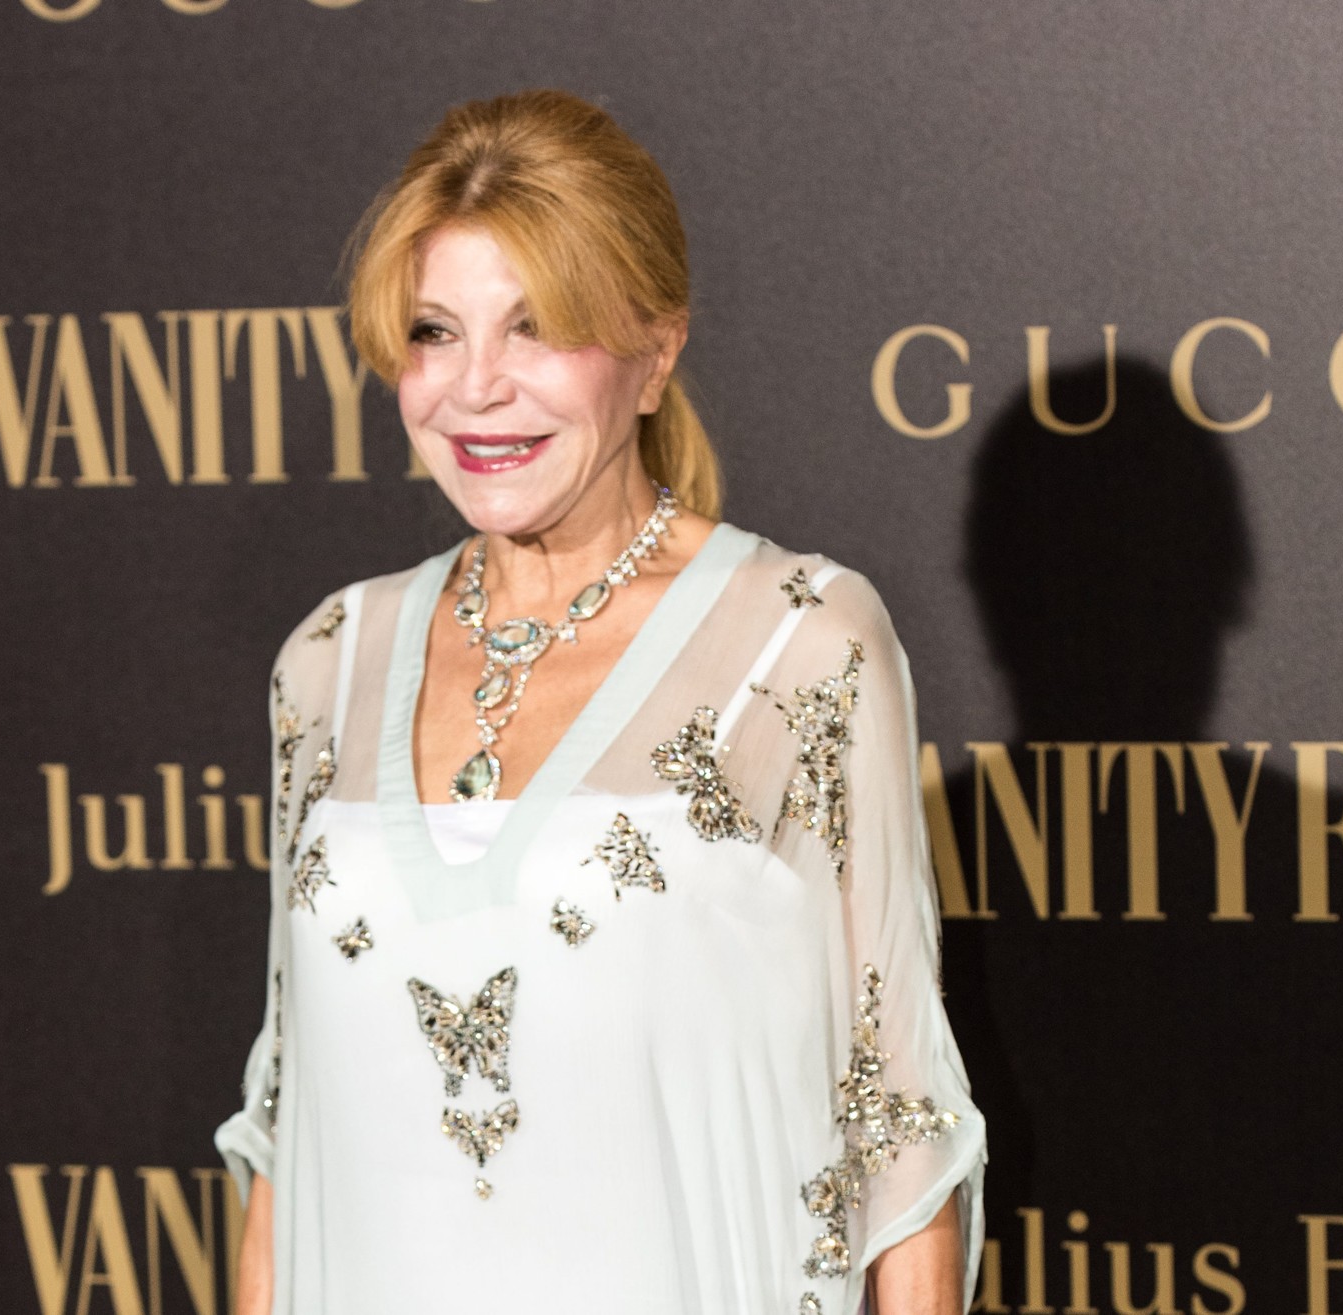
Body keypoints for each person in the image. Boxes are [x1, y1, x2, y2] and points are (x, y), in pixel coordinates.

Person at [214, 89, 984, 1315]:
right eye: (434, 332)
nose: (475, 389)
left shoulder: (797, 644)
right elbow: (285, 1118)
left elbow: (898, 1125)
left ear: (655, 351)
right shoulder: (329, 659)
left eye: (536, 329)